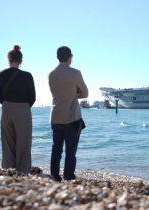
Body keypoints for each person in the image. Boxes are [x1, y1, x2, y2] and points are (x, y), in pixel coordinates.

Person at [48, 46, 88, 181]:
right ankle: (68, 176)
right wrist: (74, 93)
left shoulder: (51, 74)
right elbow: (85, 93)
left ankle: (54, 175)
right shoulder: (75, 73)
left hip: (56, 116)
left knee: (56, 149)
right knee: (70, 151)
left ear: (58, 57)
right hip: (71, 117)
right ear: (70, 57)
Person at [0, 45, 36, 173]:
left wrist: (8, 104)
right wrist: (23, 106)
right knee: (23, 143)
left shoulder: (0, 75)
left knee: (7, 143)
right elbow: (33, 97)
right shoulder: (27, 76)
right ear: (21, 60)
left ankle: (8, 170)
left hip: (6, 108)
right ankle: (23, 171)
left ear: (8, 59)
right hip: (23, 108)